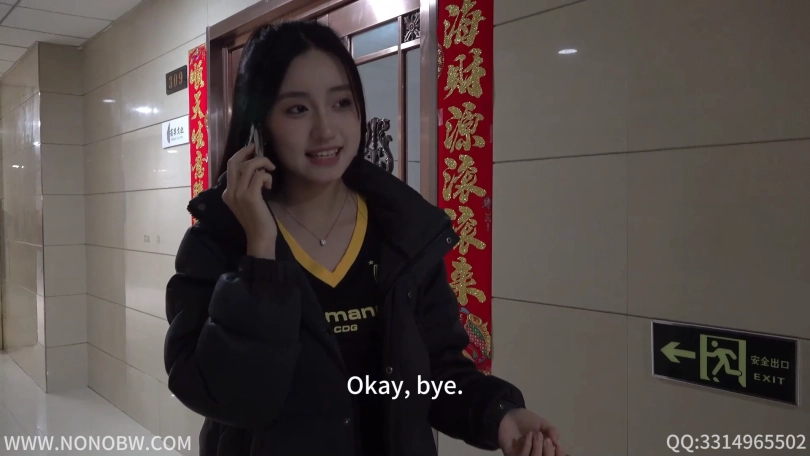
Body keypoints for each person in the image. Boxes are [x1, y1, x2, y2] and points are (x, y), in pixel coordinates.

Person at [164, 20, 565, 456]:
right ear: (259, 126)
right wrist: (259, 255)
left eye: (341, 103)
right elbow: (226, 397)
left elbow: (437, 371)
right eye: (297, 109)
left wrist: (501, 415)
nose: (326, 130)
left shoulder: (403, 232)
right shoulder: (218, 242)